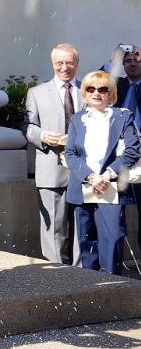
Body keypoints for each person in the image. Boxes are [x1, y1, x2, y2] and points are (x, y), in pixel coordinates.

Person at [65, 70, 140, 274]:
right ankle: (92, 285)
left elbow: (133, 150)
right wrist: (90, 177)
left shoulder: (123, 116)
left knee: (113, 238)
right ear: (85, 92)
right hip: (84, 186)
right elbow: (70, 153)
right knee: (87, 242)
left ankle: (112, 283)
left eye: (102, 89)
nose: (96, 93)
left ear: (111, 93)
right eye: (91, 89)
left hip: (111, 186)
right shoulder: (77, 119)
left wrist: (107, 175)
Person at [22, 43, 82, 265]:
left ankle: (81, 271)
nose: (64, 67)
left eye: (69, 62)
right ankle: (56, 271)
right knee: (53, 226)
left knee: (81, 224)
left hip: (84, 169)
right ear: (52, 63)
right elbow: (27, 126)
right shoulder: (36, 93)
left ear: (77, 63)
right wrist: (42, 135)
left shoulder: (88, 90)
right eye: (60, 63)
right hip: (50, 165)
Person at [115, 45, 141, 252]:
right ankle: (113, 260)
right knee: (115, 211)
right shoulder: (116, 84)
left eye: (137, 60)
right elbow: (99, 77)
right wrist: (117, 55)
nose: (133, 64)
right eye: (128, 60)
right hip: (118, 155)